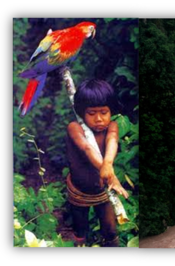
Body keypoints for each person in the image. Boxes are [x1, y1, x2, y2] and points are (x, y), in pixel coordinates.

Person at [66, 79, 129, 248]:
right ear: (82, 113)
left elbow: (112, 142)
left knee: (110, 229)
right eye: (92, 113)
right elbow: (87, 148)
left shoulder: (112, 126)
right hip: (79, 191)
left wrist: (108, 164)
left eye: (104, 112)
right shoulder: (75, 128)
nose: (99, 119)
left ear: (111, 111)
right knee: (80, 229)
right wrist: (106, 168)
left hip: (102, 191)